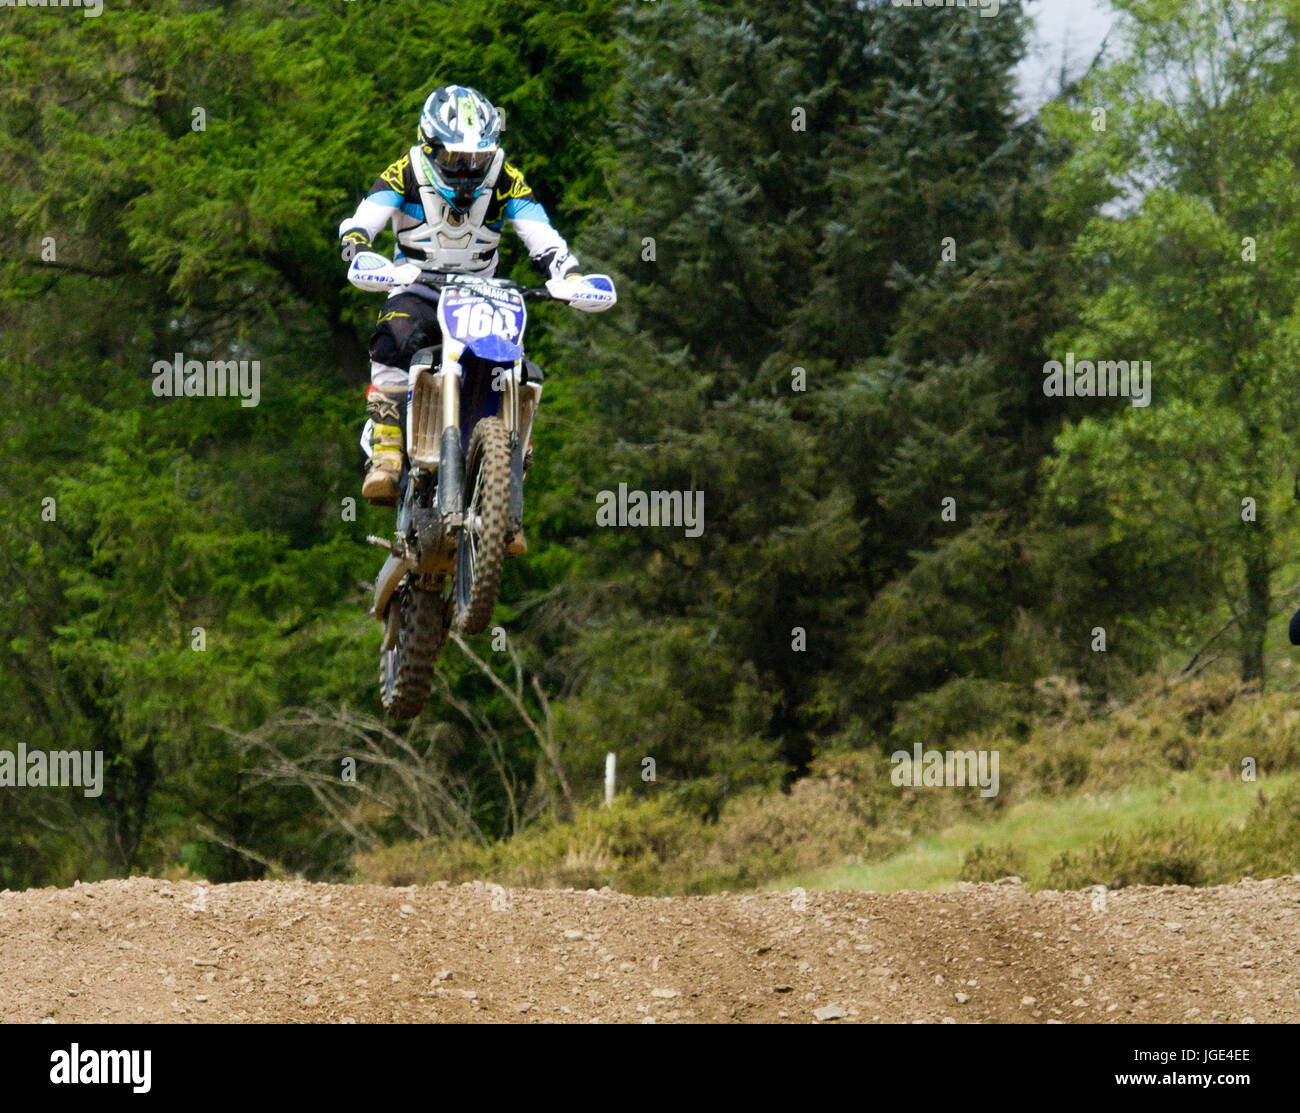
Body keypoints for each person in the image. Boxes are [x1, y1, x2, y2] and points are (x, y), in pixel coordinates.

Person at [337, 84, 594, 507]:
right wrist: (361, 250)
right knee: (392, 340)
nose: (465, 168)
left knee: (514, 366)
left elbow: (542, 234)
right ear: (429, 145)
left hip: (484, 292)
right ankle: (385, 448)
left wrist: (568, 274)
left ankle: (509, 475)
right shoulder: (404, 172)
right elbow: (361, 221)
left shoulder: (505, 179)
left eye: (475, 158)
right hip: (416, 285)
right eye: (454, 157)